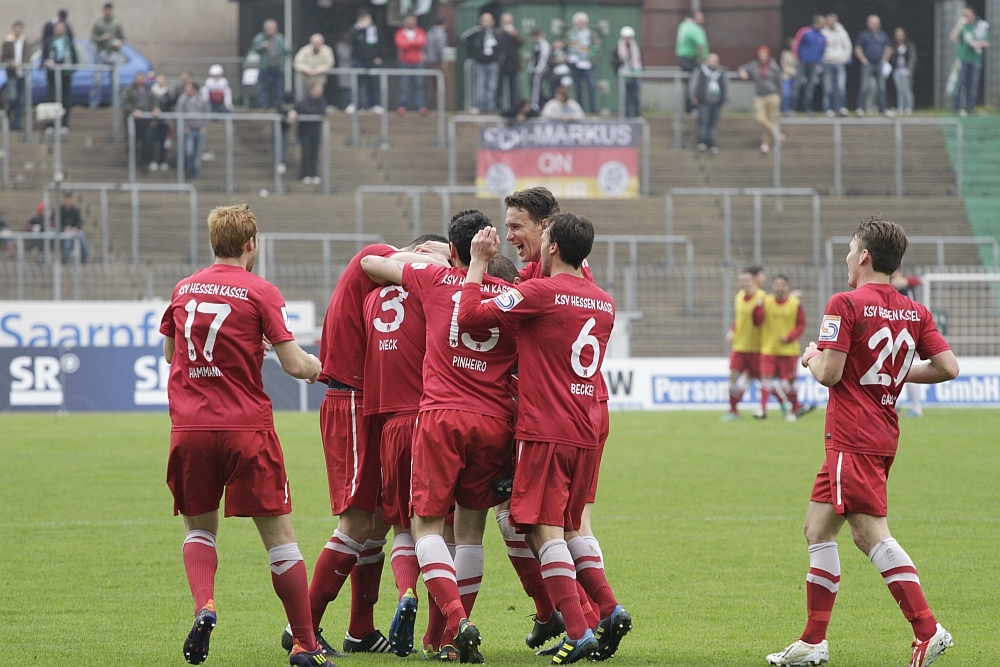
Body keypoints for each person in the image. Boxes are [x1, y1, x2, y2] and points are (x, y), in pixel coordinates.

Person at [765, 217, 958, 667]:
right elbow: (948, 367)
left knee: (870, 534)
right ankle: (813, 642)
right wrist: (895, 374)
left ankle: (928, 629)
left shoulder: (845, 302)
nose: (848, 259)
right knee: (817, 529)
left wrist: (811, 356)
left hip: (852, 436)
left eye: (851, 251)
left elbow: (830, 374)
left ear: (865, 256)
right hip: (881, 433)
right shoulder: (914, 310)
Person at [159, 204, 332, 667]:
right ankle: (305, 644)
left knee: (199, 528)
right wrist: (318, 368)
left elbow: (170, 352)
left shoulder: (184, 288)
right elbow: (294, 364)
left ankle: (205, 605)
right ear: (252, 243)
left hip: (190, 428)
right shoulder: (260, 291)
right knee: (281, 539)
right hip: (245, 429)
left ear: (213, 241)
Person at [457, 213, 626, 665]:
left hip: (545, 429)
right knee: (570, 527)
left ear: (552, 247)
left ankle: (579, 631)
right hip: (586, 428)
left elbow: (471, 317)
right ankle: (608, 608)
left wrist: (478, 264)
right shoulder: (605, 302)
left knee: (540, 527)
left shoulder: (540, 293)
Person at [359, 210, 519, 663]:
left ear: (452, 250)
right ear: (492, 248)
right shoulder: (512, 297)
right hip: (494, 421)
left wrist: (423, 256)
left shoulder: (433, 278)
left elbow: (370, 263)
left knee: (425, 525)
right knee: (470, 534)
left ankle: (457, 620)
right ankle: (447, 640)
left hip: (442, 417)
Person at [290, 237, 445, 659]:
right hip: (352, 398)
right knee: (358, 521)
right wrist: (441, 260)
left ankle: (360, 629)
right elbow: (380, 259)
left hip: (370, 400)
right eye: (438, 253)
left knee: (377, 520)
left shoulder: (386, 285)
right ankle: (303, 627)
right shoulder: (376, 255)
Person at [358, 232, 450, 658]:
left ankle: (405, 591)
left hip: (388, 423)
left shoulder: (370, 300)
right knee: (437, 529)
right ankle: (440, 630)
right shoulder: (432, 292)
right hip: (428, 418)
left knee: (400, 526)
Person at [753, 275, 806, 421]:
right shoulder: (766, 302)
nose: (779, 287)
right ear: (772, 287)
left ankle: (795, 408)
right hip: (769, 349)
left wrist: (789, 338)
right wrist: (757, 308)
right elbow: (757, 321)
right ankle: (762, 409)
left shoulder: (795, 303)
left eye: (782, 285)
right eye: (776, 284)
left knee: (787, 383)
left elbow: (801, 325)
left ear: (787, 287)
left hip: (789, 351)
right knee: (765, 378)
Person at [721, 267, 765, 420]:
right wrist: (732, 331)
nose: (744, 283)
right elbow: (740, 319)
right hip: (739, 346)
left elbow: (761, 321)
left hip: (757, 347)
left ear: (754, 280)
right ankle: (733, 410)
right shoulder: (738, 297)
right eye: (741, 280)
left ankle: (786, 405)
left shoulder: (762, 297)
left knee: (763, 380)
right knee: (733, 376)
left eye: (747, 280)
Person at [891, 269, 924, 417]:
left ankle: (916, 408)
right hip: (895, 331)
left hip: (907, 332)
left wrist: (906, 281)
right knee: (895, 368)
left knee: (906, 368)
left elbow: (918, 280)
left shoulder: (905, 285)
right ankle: (896, 403)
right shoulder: (889, 286)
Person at [738, 46, 783, 154]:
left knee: (771, 119)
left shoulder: (774, 67)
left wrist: (779, 96)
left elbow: (779, 82)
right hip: (760, 96)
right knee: (760, 118)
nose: (762, 56)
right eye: (760, 53)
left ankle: (766, 144)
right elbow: (742, 68)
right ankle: (776, 134)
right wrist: (742, 73)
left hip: (772, 95)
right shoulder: (754, 65)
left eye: (764, 53)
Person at [949, 7, 990, 116]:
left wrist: (976, 44)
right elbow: (952, 38)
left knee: (972, 85)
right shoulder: (963, 27)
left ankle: (970, 108)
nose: (966, 17)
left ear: (973, 15)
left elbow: (987, 42)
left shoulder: (980, 26)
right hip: (962, 59)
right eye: (964, 15)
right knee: (960, 84)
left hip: (975, 60)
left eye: (968, 15)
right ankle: (957, 107)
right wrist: (959, 24)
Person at [122, 71, 161, 172]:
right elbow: (125, 103)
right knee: (132, 142)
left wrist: (156, 108)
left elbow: (155, 101)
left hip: (146, 121)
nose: (140, 80)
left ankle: (144, 162)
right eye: (138, 78)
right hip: (133, 121)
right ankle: (132, 163)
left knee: (147, 141)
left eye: (142, 78)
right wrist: (133, 110)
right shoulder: (129, 89)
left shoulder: (149, 89)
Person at [688, 52, 726, 154]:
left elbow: (725, 86)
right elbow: (693, 84)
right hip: (703, 101)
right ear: (707, 61)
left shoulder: (721, 72)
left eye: (715, 61)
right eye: (711, 60)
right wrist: (693, 97)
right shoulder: (700, 71)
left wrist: (724, 98)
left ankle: (711, 143)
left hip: (717, 102)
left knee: (713, 124)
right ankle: (702, 142)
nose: (713, 63)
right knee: (703, 122)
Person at [462, 12, 500, 112]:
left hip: (492, 63)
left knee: (492, 86)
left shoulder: (496, 33)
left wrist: (497, 59)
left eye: (488, 20)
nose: (486, 23)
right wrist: (474, 52)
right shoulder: (477, 32)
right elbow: (463, 38)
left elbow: (500, 47)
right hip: (480, 63)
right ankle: (481, 107)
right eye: (484, 21)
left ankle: (490, 107)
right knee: (480, 85)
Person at [854, 15, 892, 116]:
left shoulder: (883, 35)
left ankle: (883, 109)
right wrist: (863, 60)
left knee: (882, 88)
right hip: (868, 64)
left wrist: (884, 59)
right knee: (865, 87)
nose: (875, 25)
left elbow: (888, 48)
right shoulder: (864, 35)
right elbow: (858, 48)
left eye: (876, 23)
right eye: (873, 23)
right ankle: (860, 108)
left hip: (879, 64)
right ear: (868, 24)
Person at [89, 2, 125, 108]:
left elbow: (122, 38)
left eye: (110, 10)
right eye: (106, 10)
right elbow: (93, 38)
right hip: (101, 53)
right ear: (104, 10)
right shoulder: (99, 23)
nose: (108, 12)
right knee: (98, 80)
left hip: (113, 53)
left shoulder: (117, 23)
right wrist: (102, 38)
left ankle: (115, 104)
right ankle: (94, 103)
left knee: (115, 81)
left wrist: (118, 43)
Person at [43, 21, 76, 131]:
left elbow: (74, 58)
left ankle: (64, 124)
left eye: (61, 28)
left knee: (65, 99)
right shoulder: (49, 41)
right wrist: (46, 62)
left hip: (65, 75)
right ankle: (51, 124)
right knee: (52, 98)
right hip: (52, 75)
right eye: (57, 29)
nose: (59, 31)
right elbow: (44, 56)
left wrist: (71, 69)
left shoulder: (69, 42)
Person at [248, 19, 288, 109]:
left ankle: (278, 105)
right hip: (264, 66)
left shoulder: (280, 38)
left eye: (272, 28)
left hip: (277, 66)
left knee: (278, 86)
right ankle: (263, 105)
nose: (270, 30)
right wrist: (262, 46)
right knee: (262, 86)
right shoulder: (260, 37)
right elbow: (254, 48)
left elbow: (286, 50)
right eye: (268, 28)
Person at [350, 9, 384, 113]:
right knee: (358, 83)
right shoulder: (355, 28)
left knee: (373, 83)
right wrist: (361, 29)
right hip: (358, 60)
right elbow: (352, 39)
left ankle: (373, 105)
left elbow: (381, 43)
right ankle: (359, 105)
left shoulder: (375, 29)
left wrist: (380, 57)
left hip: (372, 61)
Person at [175, 80, 209, 179]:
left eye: (189, 88)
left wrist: (204, 126)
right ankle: (189, 166)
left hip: (199, 129)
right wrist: (184, 126)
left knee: (198, 151)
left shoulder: (202, 100)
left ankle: (195, 170)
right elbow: (179, 112)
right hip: (189, 129)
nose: (187, 90)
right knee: (189, 150)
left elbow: (206, 112)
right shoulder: (183, 99)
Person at [676, 10, 708, 113]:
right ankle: (693, 107)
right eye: (700, 17)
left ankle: (689, 107)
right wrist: (699, 58)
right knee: (695, 82)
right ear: (694, 18)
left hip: (682, 56)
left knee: (689, 81)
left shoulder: (683, 25)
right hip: (691, 59)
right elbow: (701, 44)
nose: (703, 20)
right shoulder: (695, 28)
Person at [394, 14, 427, 115]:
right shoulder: (400, 32)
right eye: (409, 22)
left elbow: (422, 42)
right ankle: (402, 106)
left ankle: (420, 106)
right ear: (405, 23)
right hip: (404, 62)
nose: (411, 24)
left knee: (419, 85)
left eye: (412, 22)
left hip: (418, 62)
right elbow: (400, 44)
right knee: (404, 85)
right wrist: (414, 43)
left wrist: (408, 43)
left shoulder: (420, 31)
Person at [793, 15, 826, 113]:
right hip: (802, 64)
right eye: (823, 23)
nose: (824, 25)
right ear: (817, 23)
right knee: (797, 85)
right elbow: (797, 45)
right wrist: (799, 58)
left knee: (810, 87)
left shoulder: (822, 36)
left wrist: (818, 61)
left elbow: (822, 51)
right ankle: (792, 108)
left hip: (813, 65)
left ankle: (807, 108)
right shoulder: (805, 32)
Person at [295, 82, 326, 185]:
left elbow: (322, 111)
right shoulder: (304, 100)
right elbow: (303, 109)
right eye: (319, 89)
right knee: (306, 153)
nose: (321, 91)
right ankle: (305, 174)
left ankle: (314, 173)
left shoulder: (322, 101)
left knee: (314, 153)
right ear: (312, 90)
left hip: (316, 132)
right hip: (304, 132)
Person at [567, 12, 598, 114]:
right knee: (577, 87)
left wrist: (592, 58)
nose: (580, 24)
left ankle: (592, 108)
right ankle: (580, 108)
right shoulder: (570, 33)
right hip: (575, 63)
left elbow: (596, 46)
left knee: (591, 85)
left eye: (582, 22)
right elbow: (566, 45)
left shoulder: (590, 33)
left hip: (587, 63)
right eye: (578, 22)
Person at [821, 13, 851, 117]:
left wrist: (844, 58)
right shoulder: (824, 32)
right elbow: (821, 46)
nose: (829, 22)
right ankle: (828, 108)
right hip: (828, 62)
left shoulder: (842, 32)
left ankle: (841, 107)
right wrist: (823, 58)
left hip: (839, 62)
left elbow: (847, 46)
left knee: (840, 86)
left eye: (831, 20)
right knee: (827, 87)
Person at [2, 20, 29, 131]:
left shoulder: (25, 42)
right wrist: (10, 62)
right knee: (12, 97)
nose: (18, 31)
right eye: (16, 28)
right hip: (12, 74)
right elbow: (3, 58)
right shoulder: (8, 42)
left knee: (21, 100)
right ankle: (7, 116)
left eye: (20, 29)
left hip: (23, 74)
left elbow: (28, 56)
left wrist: (24, 63)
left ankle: (16, 123)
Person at [497, 12, 525, 112]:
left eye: (509, 21)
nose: (508, 23)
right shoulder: (498, 32)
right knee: (499, 86)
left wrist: (515, 35)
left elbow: (522, 43)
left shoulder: (514, 32)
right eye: (506, 21)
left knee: (512, 86)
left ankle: (512, 107)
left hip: (512, 63)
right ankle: (498, 106)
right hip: (501, 63)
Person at [615, 27, 643, 118]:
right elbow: (614, 61)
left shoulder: (636, 47)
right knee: (625, 97)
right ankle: (625, 116)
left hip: (635, 74)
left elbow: (640, 60)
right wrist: (620, 60)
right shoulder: (618, 48)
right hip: (624, 75)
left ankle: (637, 115)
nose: (628, 39)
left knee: (636, 96)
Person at [424, 16, 448, 110]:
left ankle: (433, 106)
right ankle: (440, 107)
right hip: (438, 63)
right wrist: (443, 60)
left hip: (429, 62)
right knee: (441, 85)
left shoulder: (429, 33)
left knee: (432, 86)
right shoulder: (441, 34)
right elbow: (440, 48)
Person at [57, 191, 89, 263]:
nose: (68, 201)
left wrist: (75, 228)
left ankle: (85, 258)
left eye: (69, 199)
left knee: (81, 235)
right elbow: (57, 223)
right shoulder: (59, 210)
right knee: (67, 238)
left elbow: (79, 222)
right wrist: (64, 228)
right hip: (63, 231)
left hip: (74, 231)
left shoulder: (76, 210)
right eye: (66, 199)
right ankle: (66, 258)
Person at [890, 28, 917, 115]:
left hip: (906, 70)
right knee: (899, 90)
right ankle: (900, 107)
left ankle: (908, 107)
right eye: (897, 35)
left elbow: (912, 58)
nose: (899, 37)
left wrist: (910, 69)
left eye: (901, 35)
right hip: (897, 70)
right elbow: (892, 58)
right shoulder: (894, 46)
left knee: (907, 90)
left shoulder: (909, 45)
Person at [150, 73, 173, 171]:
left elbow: (170, 107)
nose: (161, 81)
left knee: (163, 142)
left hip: (164, 122)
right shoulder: (151, 92)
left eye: (163, 79)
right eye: (159, 79)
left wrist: (169, 118)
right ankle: (152, 160)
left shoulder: (168, 93)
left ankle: (162, 161)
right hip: (154, 122)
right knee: (152, 142)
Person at [529, 28, 551, 111]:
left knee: (537, 88)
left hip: (541, 71)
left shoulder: (544, 44)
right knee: (534, 87)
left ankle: (536, 105)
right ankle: (535, 104)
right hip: (535, 70)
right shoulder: (536, 44)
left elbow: (544, 58)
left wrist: (539, 69)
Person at [334, 31, 353, 109]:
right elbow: (345, 56)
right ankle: (345, 107)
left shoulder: (351, 45)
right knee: (345, 91)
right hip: (344, 70)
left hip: (352, 71)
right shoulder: (340, 45)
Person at [779, 38, 797, 114]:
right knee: (786, 94)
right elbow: (783, 65)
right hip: (786, 77)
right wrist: (792, 72)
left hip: (796, 78)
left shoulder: (797, 54)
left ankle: (792, 109)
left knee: (794, 94)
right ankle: (785, 109)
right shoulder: (785, 53)